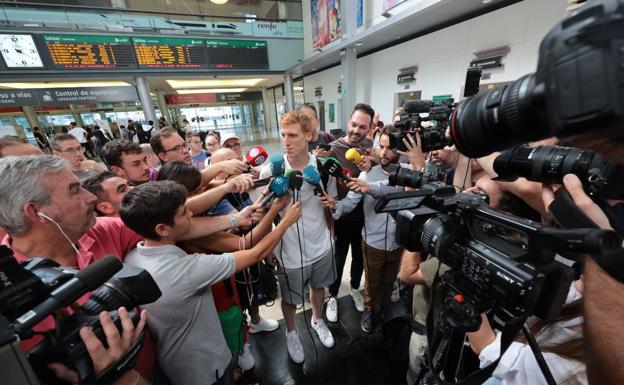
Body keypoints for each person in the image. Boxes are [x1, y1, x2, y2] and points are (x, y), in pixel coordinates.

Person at [120, 180, 302, 385]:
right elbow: (253, 254)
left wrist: (247, 212)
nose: (191, 214)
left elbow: (216, 226)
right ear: (162, 228)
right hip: (204, 368)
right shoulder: (183, 270)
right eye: (183, 213)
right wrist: (285, 221)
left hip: (175, 360)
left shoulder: (134, 255)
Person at [321, 126, 423, 332]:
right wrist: (336, 205)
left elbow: (401, 191)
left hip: (398, 243)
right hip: (372, 242)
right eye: (381, 147)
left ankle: (383, 307)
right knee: (372, 281)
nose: (384, 152)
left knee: (388, 281)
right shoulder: (367, 175)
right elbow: (350, 203)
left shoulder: (408, 174)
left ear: (400, 150)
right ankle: (369, 309)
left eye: (389, 148)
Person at [259, 110, 339, 364]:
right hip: (288, 250)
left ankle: (318, 319)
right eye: (283, 135)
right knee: (291, 299)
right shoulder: (271, 170)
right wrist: (268, 247)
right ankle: (291, 333)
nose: (286, 141)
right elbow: (260, 213)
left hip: (321, 244)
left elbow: (331, 200)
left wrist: (332, 213)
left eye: (292, 135)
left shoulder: (322, 168)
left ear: (309, 136)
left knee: (319, 287)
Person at [325, 103, 376, 323]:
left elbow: (385, 165)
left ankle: (355, 288)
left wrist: (372, 162)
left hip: (364, 216)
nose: (356, 131)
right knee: (338, 259)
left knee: (359, 258)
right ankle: (332, 297)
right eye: (354, 125)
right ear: (348, 122)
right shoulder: (332, 149)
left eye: (362, 127)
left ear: (370, 128)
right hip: (340, 216)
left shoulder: (370, 147)